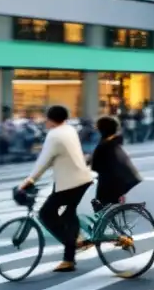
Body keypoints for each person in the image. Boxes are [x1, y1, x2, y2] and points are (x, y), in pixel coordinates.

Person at [17, 105, 95, 273]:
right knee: (69, 213)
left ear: (50, 119)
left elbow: (44, 161)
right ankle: (70, 256)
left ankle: (72, 247)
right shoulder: (69, 129)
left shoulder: (54, 135)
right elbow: (57, 157)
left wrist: (29, 181)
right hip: (80, 179)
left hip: (70, 182)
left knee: (45, 214)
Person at [90, 116, 141, 209]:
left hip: (111, 184)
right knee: (110, 207)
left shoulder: (103, 145)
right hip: (124, 182)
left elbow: (95, 166)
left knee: (100, 207)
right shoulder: (115, 142)